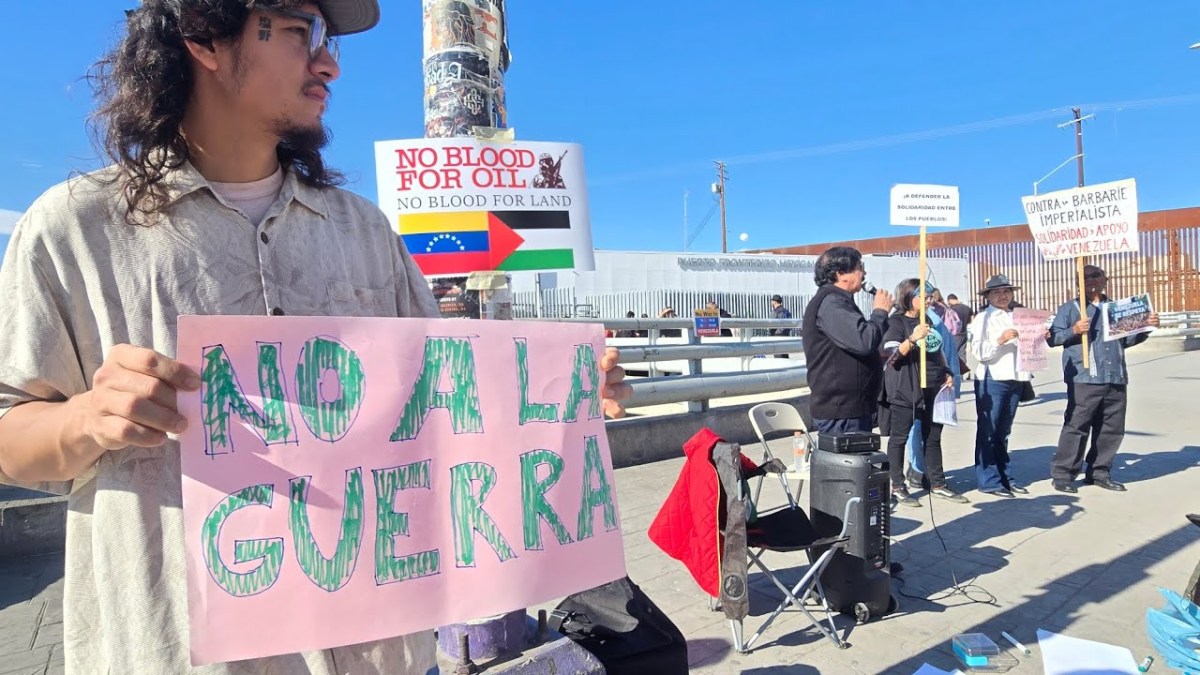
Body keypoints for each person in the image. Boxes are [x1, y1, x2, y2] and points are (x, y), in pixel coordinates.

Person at [0, 3, 630, 673]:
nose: (327, 62)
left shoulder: (365, 232)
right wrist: (86, 419)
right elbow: (12, 444)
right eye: (301, 33)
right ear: (206, 39)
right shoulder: (73, 230)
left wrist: (563, 396)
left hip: (377, 654)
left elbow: (441, 417)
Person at [1047, 264, 1159, 493]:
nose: (1090, 280)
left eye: (1095, 276)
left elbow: (1126, 341)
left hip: (1115, 374)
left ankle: (1099, 472)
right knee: (1077, 426)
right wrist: (1074, 330)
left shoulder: (1116, 309)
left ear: (1105, 279)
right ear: (1077, 283)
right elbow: (1054, 338)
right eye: (1084, 277)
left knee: (1112, 427)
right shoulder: (1070, 309)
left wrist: (1145, 328)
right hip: (1085, 376)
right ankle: (1064, 474)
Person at [881, 280, 968, 507]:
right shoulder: (896, 322)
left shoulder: (928, 320)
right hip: (906, 389)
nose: (929, 300)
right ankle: (898, 485)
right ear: (909, 297)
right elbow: (891, 357)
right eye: (924, 296)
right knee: (899, 438)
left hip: (933, 385)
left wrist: (947, 371)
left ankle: (937, 482)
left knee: (933, 437)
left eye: (931, 296)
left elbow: (934, 351)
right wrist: (912, 339)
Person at [801, 246, 893, 434]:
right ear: (841, 273)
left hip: (851, 409)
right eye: (860, 267)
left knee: (857, 461)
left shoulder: (838, 301)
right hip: (841, 412)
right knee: (847, 463)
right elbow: (864, 340)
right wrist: (880, 313)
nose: (864, 273)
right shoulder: (832, 303)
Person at [966, 275, 1043, 497]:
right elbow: (979, 352)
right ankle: (989, 480)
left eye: (1007, 291)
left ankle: (1005, 476)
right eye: (997, 292)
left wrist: (1039, 337)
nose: (1003, 295)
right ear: (988, 296)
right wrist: (1000, 340)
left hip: (1016, 377)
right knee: (988, 431)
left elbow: (1032, 347)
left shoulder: (1020, 316)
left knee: (1003, 431)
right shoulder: (982, 319)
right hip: (993, 378)